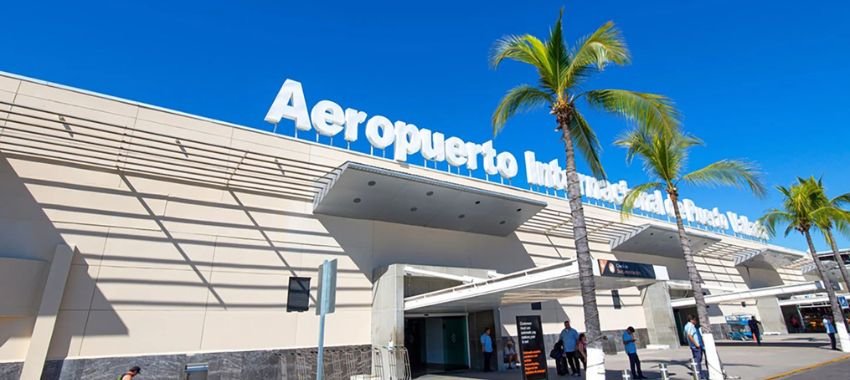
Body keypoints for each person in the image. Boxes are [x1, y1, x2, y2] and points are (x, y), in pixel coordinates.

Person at [684, 315, 706, 380]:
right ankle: (699, 375)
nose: (696, 321)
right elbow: (689, 335)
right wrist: (696, 344)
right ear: (691, 320)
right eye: (695, 320)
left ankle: (699, 374)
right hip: (696, 346)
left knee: (697, 360)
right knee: (697, 360)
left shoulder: (687, 326)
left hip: (695, 346)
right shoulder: (690, 326)